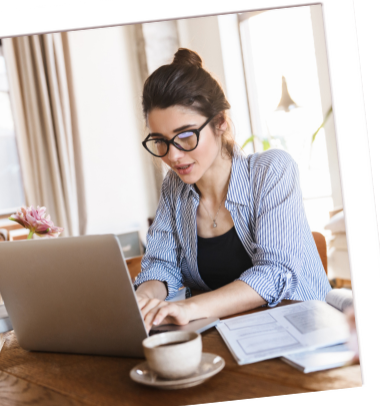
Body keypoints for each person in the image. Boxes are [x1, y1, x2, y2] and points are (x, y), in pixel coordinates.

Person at [134, 48, 331, 330]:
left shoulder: (271, 171)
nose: (173, 156)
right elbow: (160, 265)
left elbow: (274, 273)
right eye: (160, 141)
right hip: (234, 338)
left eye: (186, 136)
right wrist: (142, 300)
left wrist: (188, 308)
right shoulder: (174, 188)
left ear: (221, 122)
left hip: (304, 333)